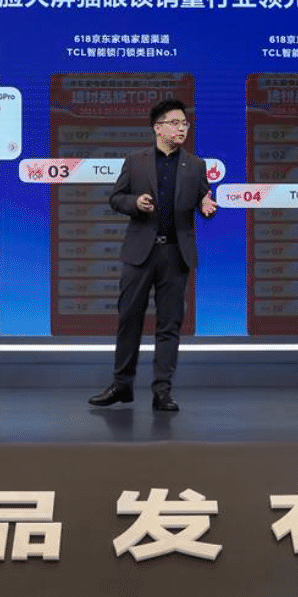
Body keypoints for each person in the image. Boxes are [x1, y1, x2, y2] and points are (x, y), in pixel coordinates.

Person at [88, 98, 218, 412]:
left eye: (185, 124)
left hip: (176, 254)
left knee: (169, 325)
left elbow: (204, 199)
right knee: (129, 320)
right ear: (158, 128)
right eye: (175, 123)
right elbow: (116, 198)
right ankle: (122, 386)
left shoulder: (196, 165)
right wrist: (135, 203)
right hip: (140, 254)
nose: (182, 129)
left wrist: (207, 207)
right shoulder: (135, 162)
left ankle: (162, 392)